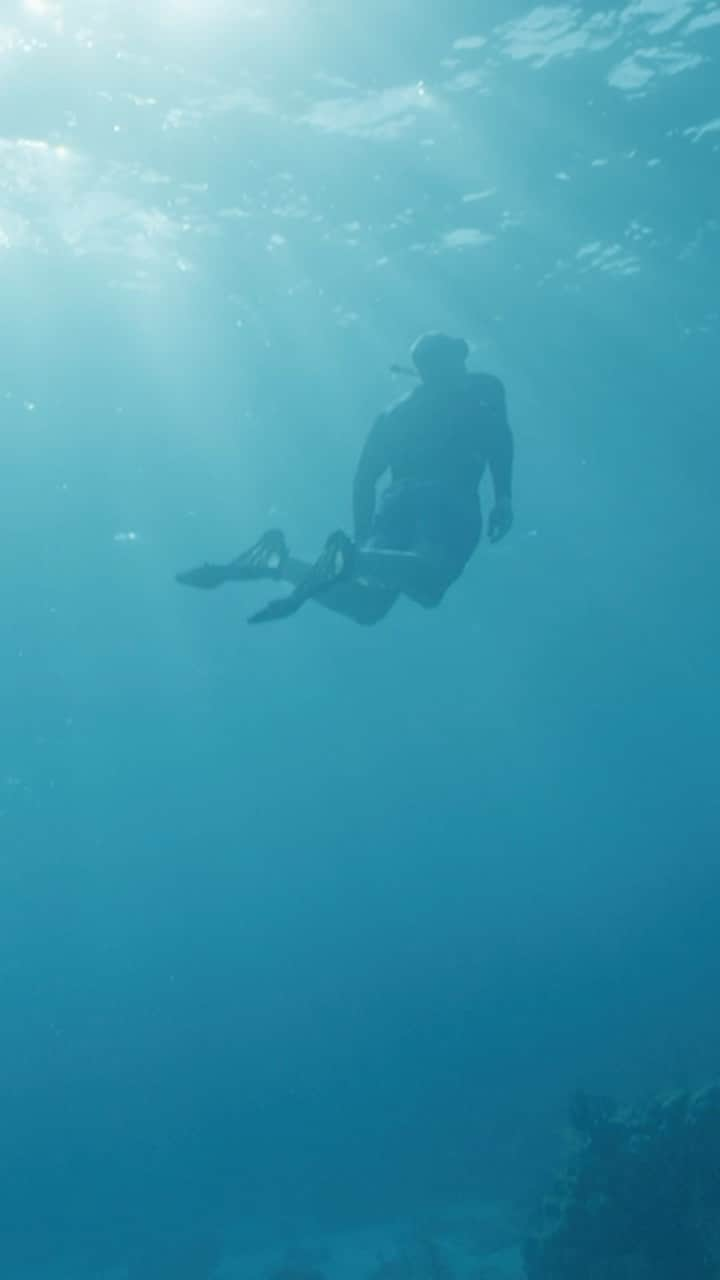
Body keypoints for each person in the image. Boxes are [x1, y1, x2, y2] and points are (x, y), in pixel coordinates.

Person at [176, 332, 514, 625]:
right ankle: (351, 560)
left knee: (368, 607)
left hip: (394, 502)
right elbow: (500, 438)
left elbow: (364, 479)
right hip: (446, 495)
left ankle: (279, 563)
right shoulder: (481, 386)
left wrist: (362, 535)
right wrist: (503, 497)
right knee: (430, 580)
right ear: (454, 360)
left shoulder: (391, 414)